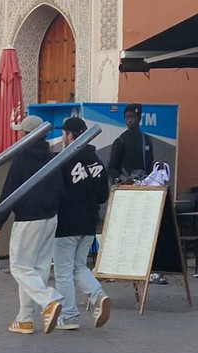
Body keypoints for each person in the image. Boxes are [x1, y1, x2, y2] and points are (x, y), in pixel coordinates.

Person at [0, 114, 63, 336]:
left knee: (20, 267)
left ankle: (48, 301)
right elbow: (61, 187)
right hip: (50, 217)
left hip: (28, 219)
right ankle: (25, 318)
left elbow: (10, 190)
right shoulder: (52, 157)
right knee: (39, 268)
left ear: (26, 134)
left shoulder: (22, 158)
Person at [52, 117, 111, 331]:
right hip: (89, 224)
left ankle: (69, 316)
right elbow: (103, 195)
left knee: (63, 271)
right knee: (79, 266)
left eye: (64, 133)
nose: (62, 137)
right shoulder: (96, 161)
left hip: (66, 224)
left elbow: (55, 193)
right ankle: (98, 295)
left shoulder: (64, 160)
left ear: (70, 136)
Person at [107, 103, 154, 185]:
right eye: (127, 117)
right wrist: (124, 178)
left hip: (144, 184)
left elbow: (150, 164)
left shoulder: (146, 140)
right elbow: (111, 168)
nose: (129, 120)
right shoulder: (120, 141)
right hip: (126, 186)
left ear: (139, 118)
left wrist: (157, 167)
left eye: (132, 116)